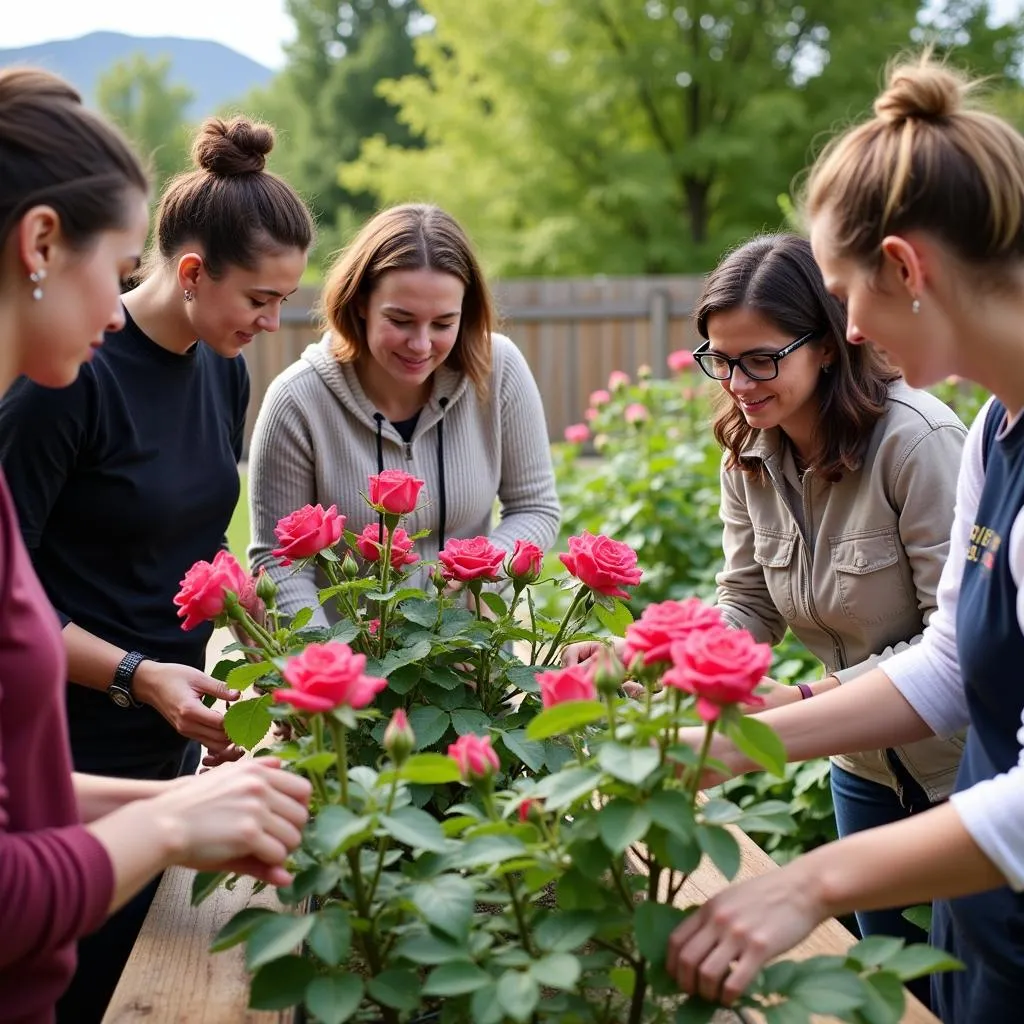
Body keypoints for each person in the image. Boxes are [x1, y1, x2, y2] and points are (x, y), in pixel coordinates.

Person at [664, 55, 1024, 1024]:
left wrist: (810, 883)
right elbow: (950, 666)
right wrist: (732, 743)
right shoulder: (999, 429)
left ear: (904, 268)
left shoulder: (931, 436)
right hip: (990, 910)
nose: (852, 324)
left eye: (840, 294)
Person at [0, 67, 311, 1024]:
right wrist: (136, 672)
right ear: (186, 272)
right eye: (259, 300)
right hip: (67, 726)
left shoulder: (221, 376)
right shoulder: (63, 382)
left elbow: (188, 543)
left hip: (164, 734)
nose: (272, 325)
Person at [567, 234, 966, 960]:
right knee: (890, 977)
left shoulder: (917, 443)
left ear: (826, 343)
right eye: (720, 360)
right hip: (860, 767)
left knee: (968, 980)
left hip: (961, 772)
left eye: (761, 359)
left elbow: (957, 641)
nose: (738, 383)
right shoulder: (749, 450)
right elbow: (748, 605)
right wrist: (647, 655)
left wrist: (808, 700)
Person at [248, 203, 560, 625]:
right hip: (350, 670)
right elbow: (277, 559)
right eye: (401, 319)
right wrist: (327, 667)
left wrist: (480, 574)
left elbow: (535, 508)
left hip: (465, 664)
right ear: (360, 303)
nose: (420, 344)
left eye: (443, 323)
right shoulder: (297, 401)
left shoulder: (498, 368)